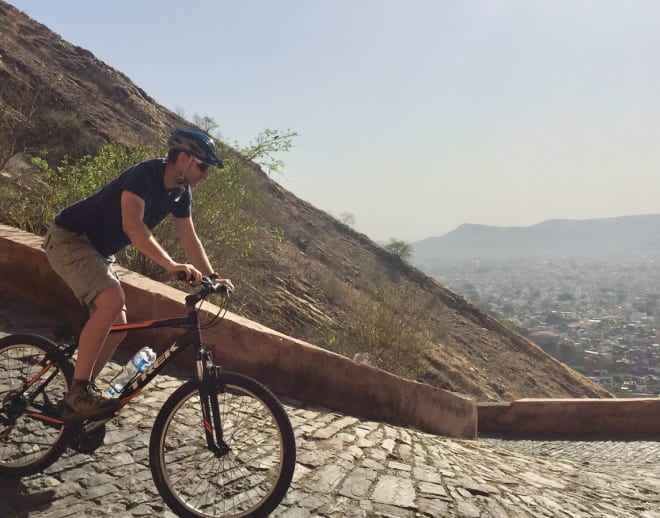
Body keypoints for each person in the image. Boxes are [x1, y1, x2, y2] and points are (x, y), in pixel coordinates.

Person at [43, 128, 233, 421]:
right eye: (203, 166)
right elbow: (133, 226)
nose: (206, 175)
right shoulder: (145, 175)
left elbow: (189, 237)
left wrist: (213, 276)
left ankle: (80, 396)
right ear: (182, 159)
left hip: (98, 252)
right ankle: (78, 394)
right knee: (111, 299)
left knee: (119, 325)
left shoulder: (181, 194)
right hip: (71, 238)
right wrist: (171, 265)